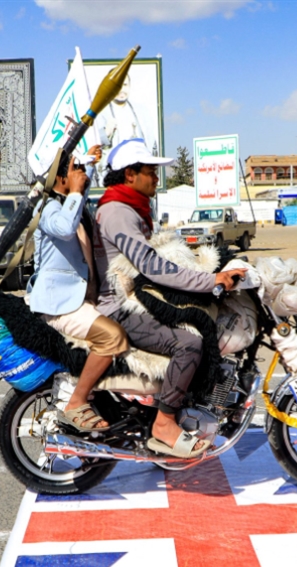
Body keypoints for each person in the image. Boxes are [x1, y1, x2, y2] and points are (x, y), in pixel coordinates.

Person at [93, 139, 245, 459]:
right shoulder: (117, 212)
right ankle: (164, 424)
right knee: (188, 344)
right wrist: (208, 280)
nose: (157, 179)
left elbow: (159, 258)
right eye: (151, 172)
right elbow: (151, 265)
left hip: (138, 297)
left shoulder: (132, 208)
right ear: (130, 174)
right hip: (119, 308)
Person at [26, 146, 129, 431]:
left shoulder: (71, 203)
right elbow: (64, 228)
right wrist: (74, 190)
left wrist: (90, 164)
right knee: (112, 337)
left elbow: (79, 197)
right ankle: (77, 400)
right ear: (60, 178)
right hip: (60, 305)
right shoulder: (47, 208)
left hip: (82, 299)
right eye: (74, 169)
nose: (80, 176)